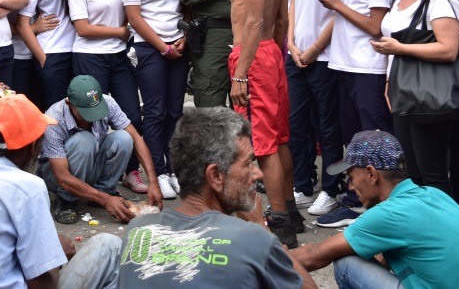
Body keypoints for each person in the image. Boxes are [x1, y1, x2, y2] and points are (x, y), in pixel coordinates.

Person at [0, 94, 123, 289]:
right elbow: (43, 284)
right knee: (110, 244)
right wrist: (55, 257)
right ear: (34, 146)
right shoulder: (28, 188)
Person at [119, 107, 316, 289]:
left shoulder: (138, 230)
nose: (257, 174)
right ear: (215, 176)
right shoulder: (255, 238)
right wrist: (260, 226)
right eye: (248, 164)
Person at [290, 130, 459, 289]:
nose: (351, 187)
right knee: (373, 253)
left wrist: (266, 251)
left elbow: (313, 254)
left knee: (346, 262)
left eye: (351, 177)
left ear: (371, 174)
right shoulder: (433, 194)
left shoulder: (389, 214)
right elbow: (384, 258)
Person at [219, 0, 298, 247]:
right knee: (278, 139)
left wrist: (242, 72)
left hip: (251, 56)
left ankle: (280, 223)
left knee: (262, 145)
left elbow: (254, 20)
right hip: (270, 54)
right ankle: (290, 211)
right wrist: (272, 56)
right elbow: (280, 20)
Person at [315, 0, 395, 227]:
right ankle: (356, 199)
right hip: (343, 65)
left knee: (378, 143)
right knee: (353, 141)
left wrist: (337, 4)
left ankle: (386, 209)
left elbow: (377, 25)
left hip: (369, 68)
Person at [370, 0, 459, 196]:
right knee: (411, 171)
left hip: (428, 94)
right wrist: (389, 83)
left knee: (432, 173)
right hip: (402, 91)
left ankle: (446, 231)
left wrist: (401, 48)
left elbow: (449, 49)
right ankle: (424, 229)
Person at [65, 0, 146, 193]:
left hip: (119, 56)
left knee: (132, 114)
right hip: (89, 57)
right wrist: (120, 32)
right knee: (93, 118)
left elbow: (133, 8)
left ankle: (131, 171)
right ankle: (95, 173)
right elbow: (83, 28)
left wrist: (125, 29)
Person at [38, 75, 163, 224]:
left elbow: (136, 139)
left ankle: (104, 190)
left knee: (124, 138)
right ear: (69, 103)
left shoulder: (108, 102)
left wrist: (153, 182)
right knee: (84, 140)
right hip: (55, 176)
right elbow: (62, 176)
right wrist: (106, 201)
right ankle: (66, 199)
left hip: (89, 166)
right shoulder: (53, 119)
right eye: (85, 113)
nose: (91, 119)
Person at [123, 0, 186, 200]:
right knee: (155, 111)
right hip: (150, 47)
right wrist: (163, 47)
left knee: (175, 111)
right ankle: (157, 172)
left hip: (179, 43)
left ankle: (174, 169)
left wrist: (183, 37)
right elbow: (134, 17)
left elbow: (187, 1)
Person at [286, 0, 344, 217]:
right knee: (297, 123)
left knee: (327, 126)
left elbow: (340, 12)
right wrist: (292, 44)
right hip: (296, 56)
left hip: (326, 57)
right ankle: (303, 184)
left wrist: (315, 47)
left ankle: (331, 188)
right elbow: (294, 4)